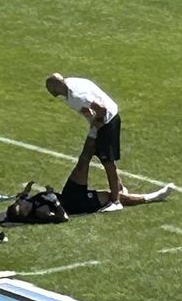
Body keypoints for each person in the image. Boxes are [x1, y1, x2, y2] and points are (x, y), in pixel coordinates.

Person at [45, 73, 126, 211]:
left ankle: (116, 201)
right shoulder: (71, 82)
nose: (52, 93)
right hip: (108, 118)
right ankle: (120, 188)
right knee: (103, 157)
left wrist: (96, 126)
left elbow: (101, 109)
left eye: (52, 89)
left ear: (57, 85)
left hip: (107, 121)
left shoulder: (77, 96)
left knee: (107, 161)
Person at [59, 136, 173, 216]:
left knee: (83, 162)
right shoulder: (43, 210)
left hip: (66, 194)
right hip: (75, 204)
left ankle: (120, 188)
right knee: (112, 196)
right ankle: (152, 197)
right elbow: (57, 216)